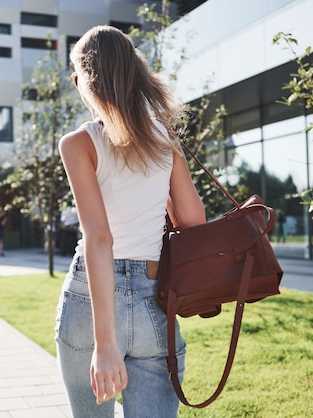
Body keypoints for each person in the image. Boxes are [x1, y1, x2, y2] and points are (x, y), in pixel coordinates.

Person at [55, 26, 206, 418]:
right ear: (133, 73)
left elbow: (99, 238)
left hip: (89, 303)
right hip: (153, 297)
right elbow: (193, 220)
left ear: (84, 82)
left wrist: (105, 343)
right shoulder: (165, 140)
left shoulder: (78, 144)